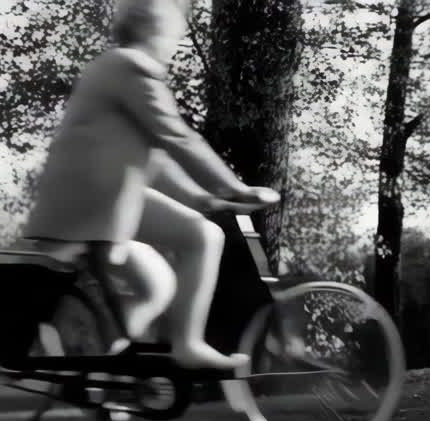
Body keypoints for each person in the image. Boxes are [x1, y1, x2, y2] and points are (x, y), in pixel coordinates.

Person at [20, 0, 276, 370]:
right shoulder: (131, 66)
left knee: (157, 286)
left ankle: (102, 366)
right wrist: (234, 188)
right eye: (172, 36)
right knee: (204, 237)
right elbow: (177, 137)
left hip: (90, 198)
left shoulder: (110, 68)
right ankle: (187, 345)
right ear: (151, 31)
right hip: (96, 201)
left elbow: (156, 161)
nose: (174, 46)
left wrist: (202, 198)